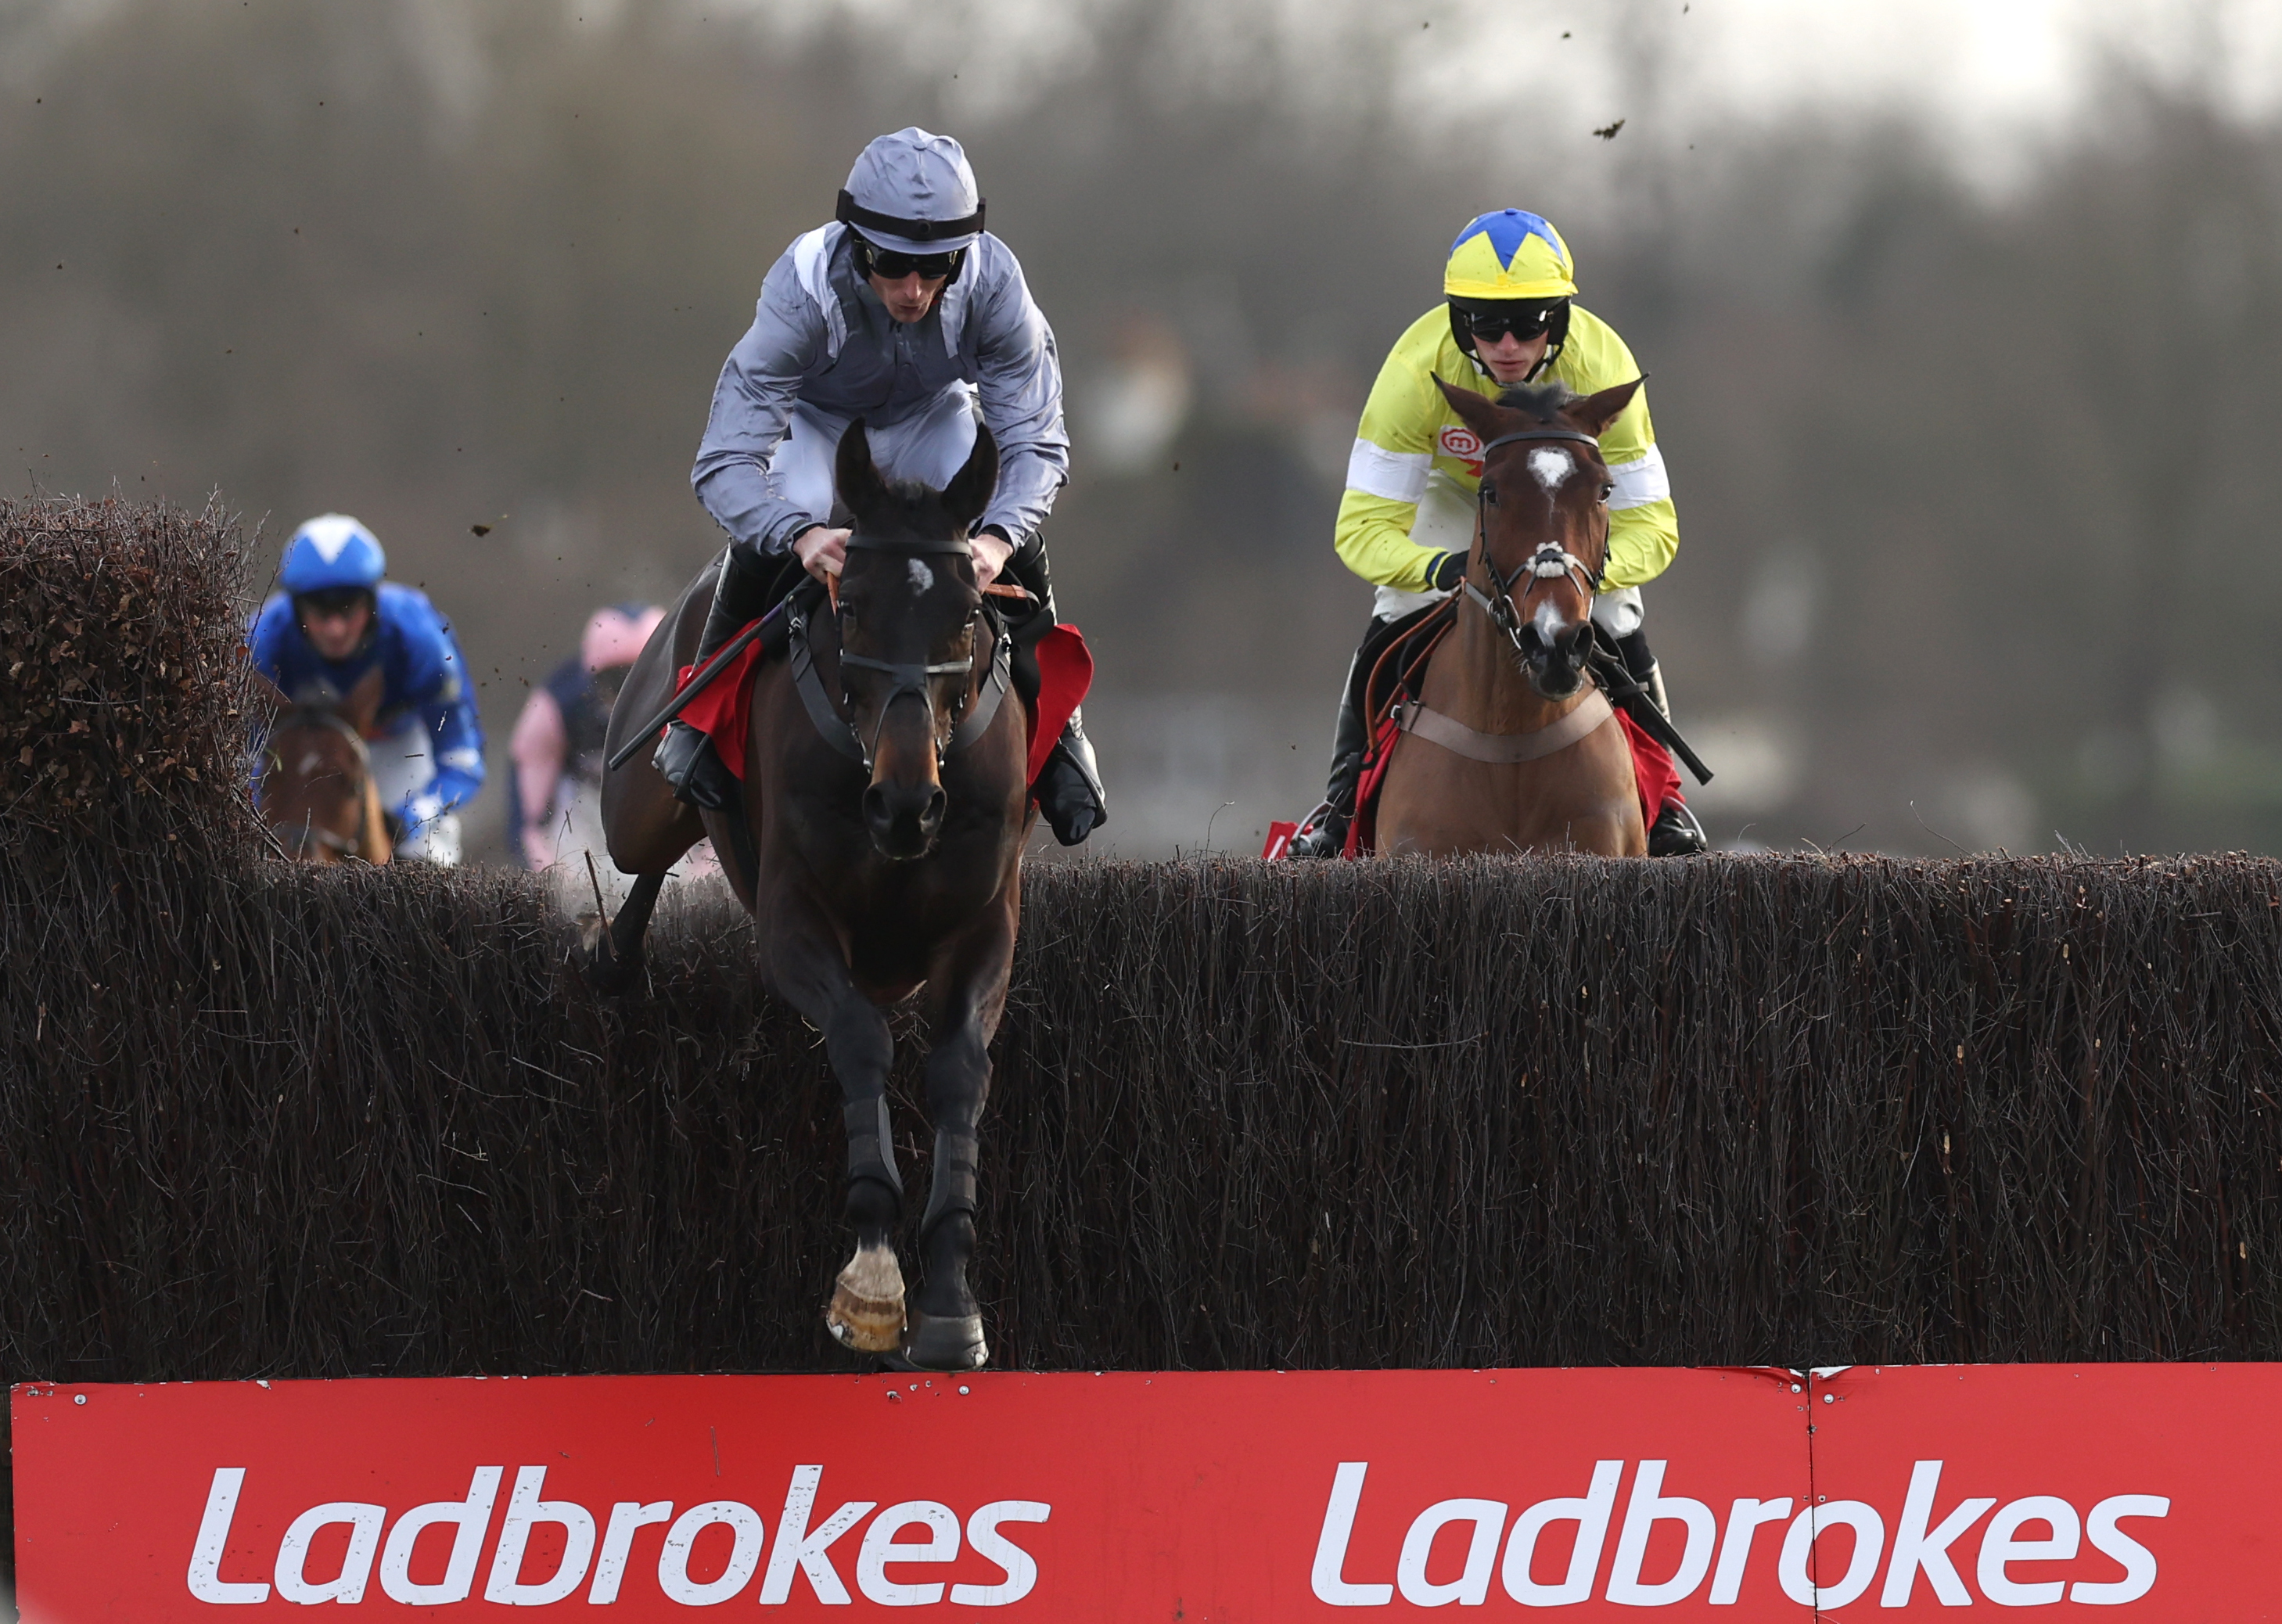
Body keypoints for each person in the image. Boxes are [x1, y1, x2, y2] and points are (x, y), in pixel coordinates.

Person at [657, 126, 1107, 845]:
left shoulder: (996, 285)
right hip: (817, 420)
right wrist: (798, 534)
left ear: (966, 254)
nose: (914, 290)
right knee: (787, 511)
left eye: (937, 269)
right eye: (892, 264)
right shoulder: (803, 290)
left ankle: (1063, 743)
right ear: (855, 242)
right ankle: (700, 717)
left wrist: (995, 539)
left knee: (1004, 518)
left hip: (932, 415)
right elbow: (724, 462)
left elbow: (1035, 443)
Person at [1289, 209, 1707, 858]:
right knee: (1396, 604)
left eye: (1529, 322)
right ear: (1459, 323)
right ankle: (1340, 804)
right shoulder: (1413, 369)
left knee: (1619, 608)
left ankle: (1668, 807)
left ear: (1560, 320)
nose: (1507, 344)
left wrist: (1578, 571)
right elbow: (1362, 530)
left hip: (1560, 508)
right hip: (1455, 496)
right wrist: (1445, 571)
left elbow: (1653, 528)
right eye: (1486, 324)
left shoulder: (1605, 366)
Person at [249, 514, 485, 864]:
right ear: (294, 606)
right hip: (301, 761)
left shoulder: (420, 639)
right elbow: (245, 758)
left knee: (429, 847)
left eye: (348, 608)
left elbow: (462, 758)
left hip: (399, 751)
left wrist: (415, 814)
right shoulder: (259, 642)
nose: (335, 629)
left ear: (373, 602)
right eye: (319, 611)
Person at [509, 603, 664, 870]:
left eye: (638, 679)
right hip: (581, 801)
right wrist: (545, 868)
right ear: (592, 677)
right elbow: (529, 819)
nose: (624, 696)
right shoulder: (559, 702)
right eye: (614, 680)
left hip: (658, 801)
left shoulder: (689, 701)